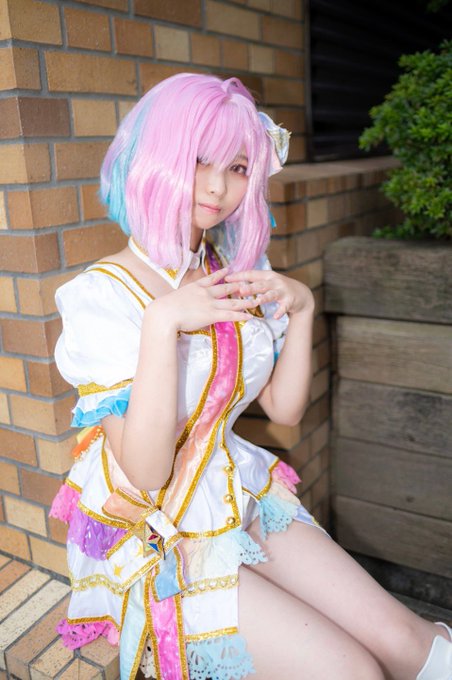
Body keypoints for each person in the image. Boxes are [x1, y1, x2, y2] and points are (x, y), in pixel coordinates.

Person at [50, 73, 452, 680]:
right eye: (199, 159)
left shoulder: (233, 268)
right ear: (155, 156)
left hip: (233, 485)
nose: (218, 186)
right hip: (156, 530)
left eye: (238, 167)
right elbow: (147, 472)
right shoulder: (99, 297)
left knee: (407, 640)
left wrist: (303, 306)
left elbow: (284, 411)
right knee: (353, 671)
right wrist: (162, 324)